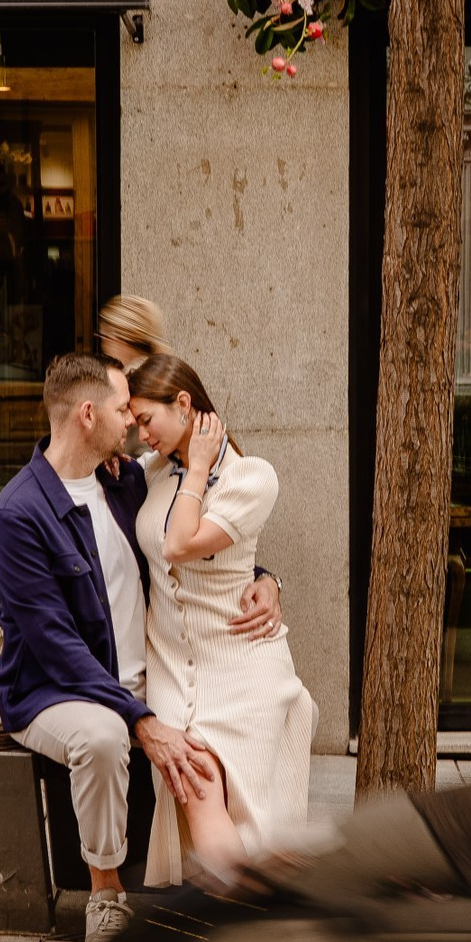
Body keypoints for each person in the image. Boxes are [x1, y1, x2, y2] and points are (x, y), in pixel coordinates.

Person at [0, 351, 283, 942]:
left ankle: (238, 908)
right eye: (124, 409)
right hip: (57, 691)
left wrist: (264, 576)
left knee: (206, 761)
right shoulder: (20, 515)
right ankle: (105, 894)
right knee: (100, 737)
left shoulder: (123, 480)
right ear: (88, 414)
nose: (132, 423)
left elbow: (181, 548)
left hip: (152, 676)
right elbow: (56, 647)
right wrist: (139, 720)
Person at [125, 354, 315, 889]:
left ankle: (250, 922)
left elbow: (181, 544)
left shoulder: (251, 479)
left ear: (183, 404)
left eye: (146, 420)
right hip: (172, 667)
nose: (140, 436)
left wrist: (202, 468)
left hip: (242, 664)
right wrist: (270, 578)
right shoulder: (152, 472)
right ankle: (251, 921)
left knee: (246, 814)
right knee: (199, 784)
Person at [97, 294, 171, 372]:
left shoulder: (133, 379)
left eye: (105, 336)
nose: (103, 345)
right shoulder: (161, 368)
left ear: (121, 340)